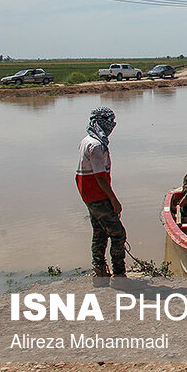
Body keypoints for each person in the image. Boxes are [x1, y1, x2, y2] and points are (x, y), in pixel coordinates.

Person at [75, 106, 126, 278]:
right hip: (97, 194)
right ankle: (119, 271)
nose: (112, 125)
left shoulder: (87, 140)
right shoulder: (96, 145)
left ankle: (99, 267)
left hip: (88, 194)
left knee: (99, 231)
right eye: (110, 121)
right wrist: (114, 200)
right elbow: (99, 177)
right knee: (118, 234)